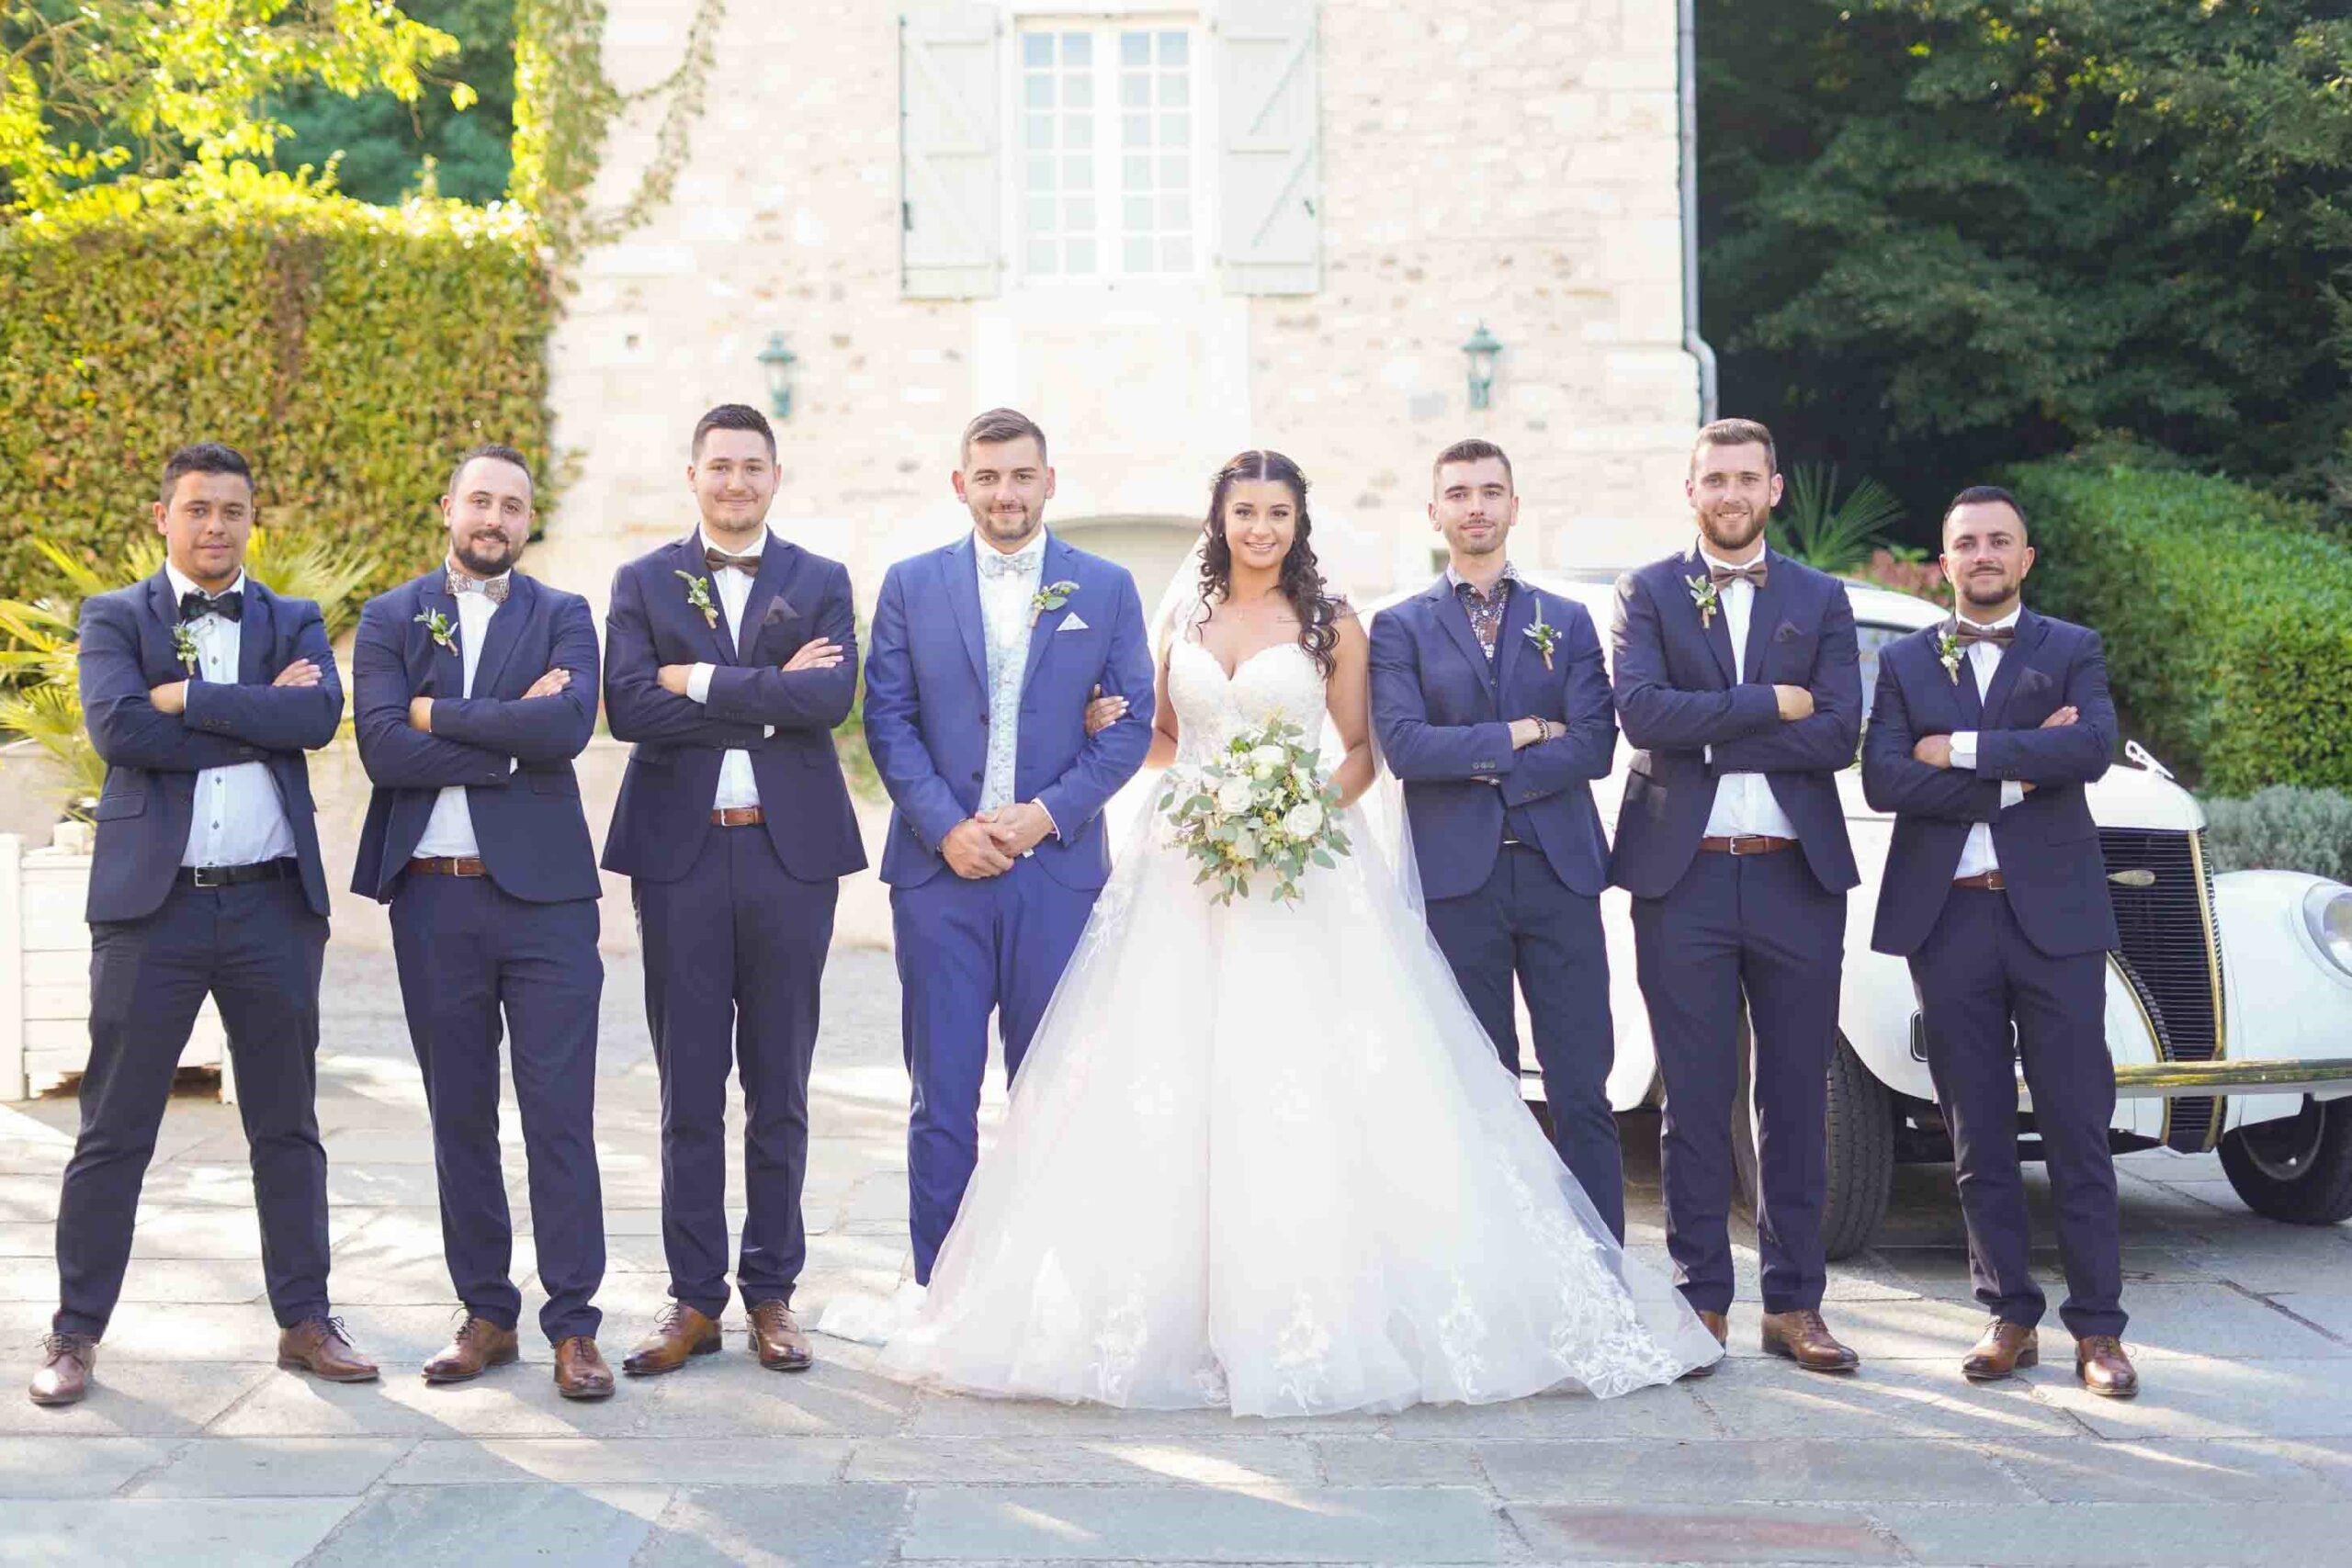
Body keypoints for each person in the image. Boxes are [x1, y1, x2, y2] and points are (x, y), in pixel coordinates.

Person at [876, 448, 1721, 1415]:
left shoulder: (1332, 623)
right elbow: (1154, 737)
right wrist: (1121, 731)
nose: (1261, 529)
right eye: (1245, 511)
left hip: (1297, 867)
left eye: (1278, 511)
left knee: (1310, 1079)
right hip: (1183, 866)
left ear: (1297, 521)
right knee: (1162, 1080)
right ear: (1220, 518)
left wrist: (1297, 811)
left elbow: (1362, 752)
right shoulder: (1180, 614)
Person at [32, 442, 373, 1407]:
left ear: (250, 519)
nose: (215, 525)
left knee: (286, 1126)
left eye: (232, 509)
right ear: (164, 517)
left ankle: (305, 1321)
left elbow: (314, 724)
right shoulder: (113, 617)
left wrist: (195, 702)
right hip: (154, 910)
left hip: (272, 904)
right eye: (198, 509)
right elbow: (118, 731)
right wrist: (255, 714)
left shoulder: (294, 618)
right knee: (114, 1130)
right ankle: (74, 1334)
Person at [858, 408, 1156, 1314]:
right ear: (961, 486)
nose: (1004, 493)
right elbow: (889, 720)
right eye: (986, 477)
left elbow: (1134, 722)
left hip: (1055, 878)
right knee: (940, 1097)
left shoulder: (1103, 589)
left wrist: (1042, 819)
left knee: (1053, 1092)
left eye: (1021, 476)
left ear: (1049, 482)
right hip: (937, 878)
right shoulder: (911, 586)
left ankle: (1050, 1296)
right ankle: (942, 1295)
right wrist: (948, 827)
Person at [602, 404, 865, 1378]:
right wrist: (763, 691)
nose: (735, 483)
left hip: (789, 858)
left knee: (780, 1085)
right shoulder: (641, 581)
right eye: (719, 467)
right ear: (693, 476)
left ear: (775, 477)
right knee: (687, 1090)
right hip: (678, 858)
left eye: (752, 468)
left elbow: (826, 702)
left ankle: (771, 1295)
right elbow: (630, 705)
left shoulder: (820, 581)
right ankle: (692, 1300)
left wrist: (701, 684)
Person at [349, 444, 613, 1400]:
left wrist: (437, 714)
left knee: (559, 1117)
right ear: (447, 508)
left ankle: (574, 1326)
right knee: (460, 1115)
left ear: (527, 522)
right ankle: (487, 1314)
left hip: (545, 900)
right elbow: (381, 747)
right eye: (479, 501)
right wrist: (505, 737)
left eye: (511, 505)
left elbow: (566, 729)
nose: (494, 518)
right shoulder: (389, 617)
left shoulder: (566, 616)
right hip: (433, 896)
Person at [1862, 485, 2137, 1397]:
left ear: (2025, 559)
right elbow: (1888, 779)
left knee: (2074, 1123)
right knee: (1973, 1128)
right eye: (1964, 543)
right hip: (1948, 920)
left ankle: (2097, 1330)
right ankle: (2007, 1314)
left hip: (2054, 920)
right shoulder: (1904, 662)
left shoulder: (2071, 649)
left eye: (1999, 541)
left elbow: (2090, 750)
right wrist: (2024, 767)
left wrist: (1968, 752)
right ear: (1943, 564)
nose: (1981, 554)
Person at [1608, 418, 1863, 1375]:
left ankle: (1794, 1305)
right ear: (1690, 490)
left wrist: (1706, 730)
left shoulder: (1820, 597)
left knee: (1796, 1095)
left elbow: (1836, 732)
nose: (1729, 493)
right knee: (1695, 1097)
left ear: (1774, 489)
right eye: (1713, 477)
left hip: (1797, 874)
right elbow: (1641, 713)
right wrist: (1767, 704)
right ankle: (1701, 1300)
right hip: (1684, 877)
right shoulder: (1648, 591)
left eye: (1745, 478)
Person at [1370, 438, 1627, 1240]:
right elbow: (1408, 748)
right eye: (1459, 492)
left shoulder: (1569, 618)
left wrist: (1480, 759)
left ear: (1515, 505)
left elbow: (1593, 744)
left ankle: (1601, 1271)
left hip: (1561, 874)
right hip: (1457, 883)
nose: (1475, 505)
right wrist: (1521, 732)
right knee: (1479, 1087)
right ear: (1435, 511)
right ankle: (1502, 1271)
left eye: (1490, 491)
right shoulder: (1399, 627)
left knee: (1583, 1086)